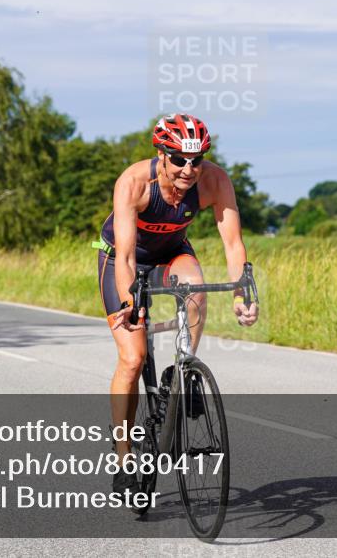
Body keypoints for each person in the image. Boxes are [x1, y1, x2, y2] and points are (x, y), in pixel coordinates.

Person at [96, 113, 259, 496]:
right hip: (123, 258)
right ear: (161, 153)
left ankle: (181, 370)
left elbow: (233, 244)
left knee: (196, 285)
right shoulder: (134, 182)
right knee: (133, 358)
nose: (189, 169)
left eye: (197, 160)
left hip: (172, 253)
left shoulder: (215, 181)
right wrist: (128, 301)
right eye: (179, 159)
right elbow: (125, 259)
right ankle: (123, 458)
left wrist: (241, 294)